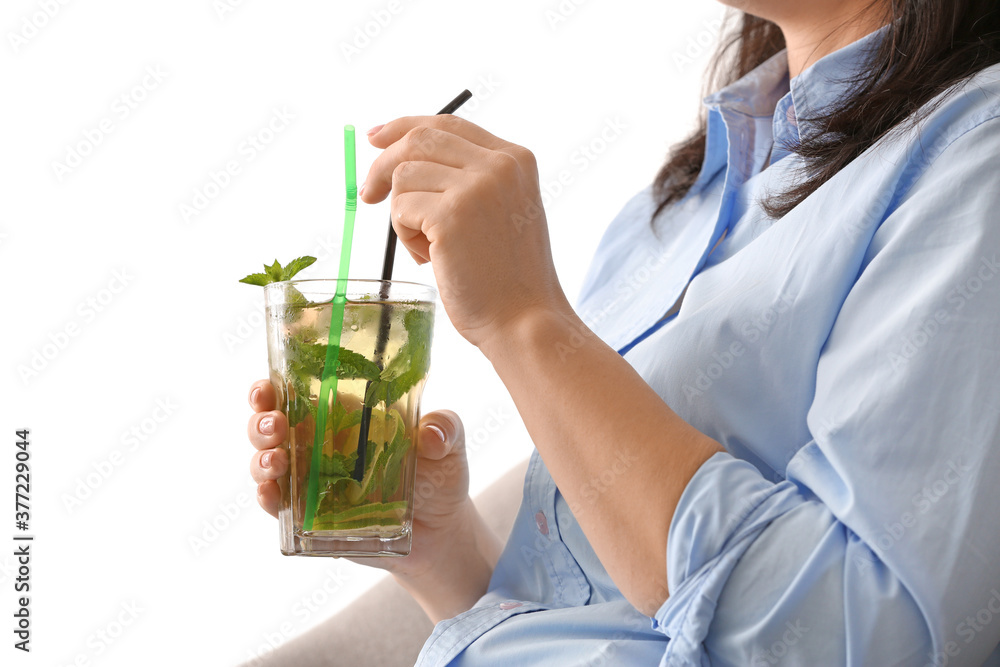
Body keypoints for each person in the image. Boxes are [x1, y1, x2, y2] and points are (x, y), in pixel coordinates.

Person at [247, 0, 1000, 663]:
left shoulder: (977, 155)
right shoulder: (670, 212)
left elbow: (856, 639)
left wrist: (526, 322)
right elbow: (602, 617)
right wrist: (438, 548)